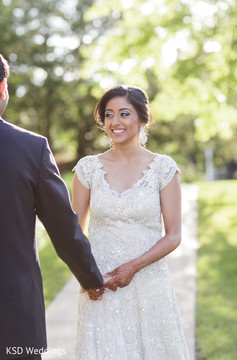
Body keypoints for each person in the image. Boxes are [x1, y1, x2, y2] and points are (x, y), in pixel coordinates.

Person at [0, 54, 107, 360]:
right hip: (11, 312)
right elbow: (64, 229)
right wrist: (91, 279)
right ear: (3, 87)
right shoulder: (30, 149)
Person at [72, 85, 190, 359]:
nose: (115, 122)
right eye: (109, 115)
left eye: (124, 114)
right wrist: (85, 274)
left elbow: (173, 236)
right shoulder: (87, 168)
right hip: (100, 284)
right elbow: (73, 232)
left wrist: (132, 267)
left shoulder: (164, 168)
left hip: (149, 283)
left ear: (142, 119)